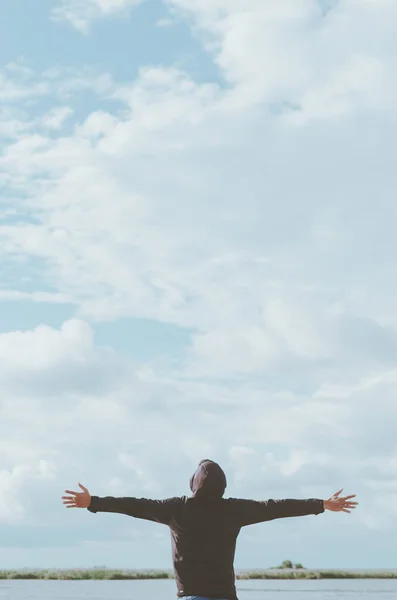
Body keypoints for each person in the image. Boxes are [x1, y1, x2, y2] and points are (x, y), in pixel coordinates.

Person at [62, 458, 358, 600]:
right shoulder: (233, 509)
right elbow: (276, 507)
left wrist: (94, 502)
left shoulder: (176, 508)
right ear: (223, 485)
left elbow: (135, 505)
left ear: (193, 483)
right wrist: (321, 504)